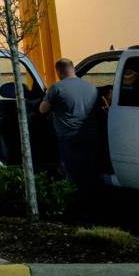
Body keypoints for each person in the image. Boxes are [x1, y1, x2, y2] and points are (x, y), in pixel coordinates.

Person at [38, 57, 101, 194]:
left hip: (69, 137)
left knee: (73, 172)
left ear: (59, 72)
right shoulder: (91, 87)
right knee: (90, 169)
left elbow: (42, 109)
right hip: (91, 135)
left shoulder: (56, 88)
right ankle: (93, 198)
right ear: (73, 68)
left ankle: (76, 201)